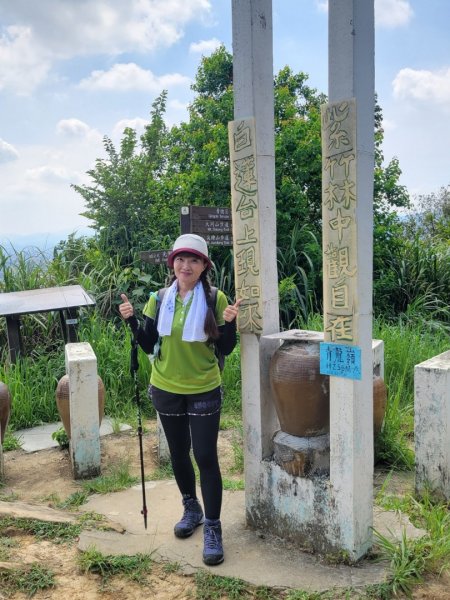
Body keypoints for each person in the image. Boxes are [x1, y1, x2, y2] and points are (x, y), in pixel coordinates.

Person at [119, 233, 240, 566]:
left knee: (205, 456)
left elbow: (226, 347)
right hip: (166, 387)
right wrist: (131, 319)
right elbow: (147, 343)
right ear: (172, 263)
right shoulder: (159, 299)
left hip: (203, 387)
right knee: (178, 453)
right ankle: (192, 508)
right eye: (181, 259)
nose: (186, 266)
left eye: (194, 260)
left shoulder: (216, 299)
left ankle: (213, 528)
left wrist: (229, 323)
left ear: (204, 266)